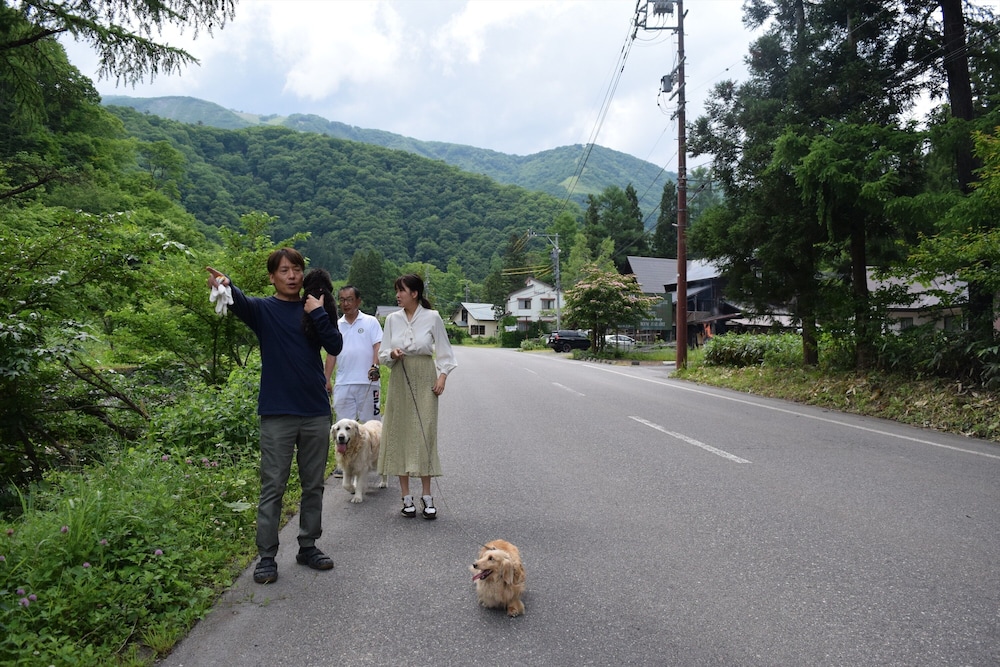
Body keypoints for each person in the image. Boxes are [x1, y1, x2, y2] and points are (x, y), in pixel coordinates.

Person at [206, 248, 343, 584]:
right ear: (272, 276)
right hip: (277, 413)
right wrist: (225, 283)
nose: (292, 276)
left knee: (313, 486)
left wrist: (318, 313)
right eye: (284, 270)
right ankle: (267, 556)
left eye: (296, 269)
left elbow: (335, 345)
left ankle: (308, 546)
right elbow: (238, 300)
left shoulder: (314, 306)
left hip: (314, 410)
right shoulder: (264, 310)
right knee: (273, 486)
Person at [377, 274, 457, 520]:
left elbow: (445, 352)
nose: (397, 295)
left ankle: (427, 495)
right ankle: (405, 497)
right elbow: (382, 354)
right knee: (400, 432)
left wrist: (442, 376)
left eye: (401, 291)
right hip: (401, 377)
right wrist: (393, 352)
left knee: (425, 434)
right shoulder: (392, 319)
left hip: (425, 377)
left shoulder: (432, 318)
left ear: (415, 293)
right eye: (396, 291)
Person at [324, 285, 384, 478]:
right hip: (343, 383)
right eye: (342, 300)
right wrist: (326, 379)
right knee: (342, 428)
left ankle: (374, 463)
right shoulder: (335, 325)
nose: (346, 304)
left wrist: (375, 366)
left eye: (350, 299)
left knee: (371, 426)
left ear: (358, 301)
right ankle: (343, 465)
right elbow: (331, 354)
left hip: (368, 383)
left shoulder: (370, 322)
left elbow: (378, 346)